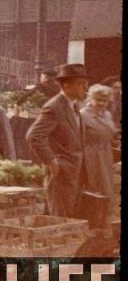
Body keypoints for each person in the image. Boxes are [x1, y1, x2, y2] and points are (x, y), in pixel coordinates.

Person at [26, 63, 90, 218]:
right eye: (81, 84)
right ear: (67, 86)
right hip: (60, 173)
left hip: (73, 172)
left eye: (86, 84)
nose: (86, 89)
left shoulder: (73, 106)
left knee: (68, 218)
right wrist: (52, 161)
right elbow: (34, 136)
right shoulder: (54, 107)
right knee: (59, 220)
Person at [78, 84, 119, 229]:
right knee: (93, 189)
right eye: (98, 100)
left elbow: (110, 133)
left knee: (107, 188)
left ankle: (103, 222)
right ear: (90, 98)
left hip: (105, 154)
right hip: (91, 156)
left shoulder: (107, 114)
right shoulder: (82, 115)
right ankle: (92, 223)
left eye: (105, 101)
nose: (102, 104)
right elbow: (78, 140)